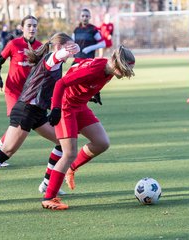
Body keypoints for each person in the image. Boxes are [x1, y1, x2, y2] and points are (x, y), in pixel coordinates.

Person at [0, 32, 80, 204]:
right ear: (59, 47)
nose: (72, 53)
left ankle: (47, 183)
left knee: (62, 141)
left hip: (37, 112)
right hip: (25, 110)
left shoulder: (56, 63)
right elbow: (61, 54)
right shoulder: (51, 58)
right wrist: (72, 48)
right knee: (7, 150)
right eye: (69, 48)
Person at [41, 46, 135, 210]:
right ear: (116, 63)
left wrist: (92, 91)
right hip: (66, 107)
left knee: (102, 142)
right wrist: (56, 108)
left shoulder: (109, 70)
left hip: (80, 106)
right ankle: (49, 197)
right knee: (69, 153)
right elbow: (61, 83)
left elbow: (78, 62)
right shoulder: (94, 70)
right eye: (125, 70)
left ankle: (71, 168)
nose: (125, 74)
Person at [0, 16, 42, 168]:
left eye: (34, 25)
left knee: (21, 122)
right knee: (17, 121)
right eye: (29, 25)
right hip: (13, 90)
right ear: (22, 28)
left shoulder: (40, 46)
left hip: (29, 92)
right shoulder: (14, 44)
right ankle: (0, 151)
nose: (32, 28)